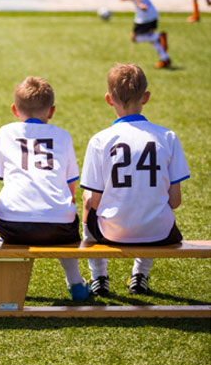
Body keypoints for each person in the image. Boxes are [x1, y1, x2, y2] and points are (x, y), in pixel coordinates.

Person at [81, 63, 189, 296]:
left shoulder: (100, 140)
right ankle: (140, 274)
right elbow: (175, 201)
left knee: (87, 197)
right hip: (160, 233)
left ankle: (98, 276)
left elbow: (96, 203)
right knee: (152, 199)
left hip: (112, 232)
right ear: (146, 97)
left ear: (109, 99)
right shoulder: (167, 136)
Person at [0, 77, 88, 301]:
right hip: (59, 227)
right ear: (51, 111)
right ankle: (75, 282)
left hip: (13, 224)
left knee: (10, 213)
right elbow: (70, 187)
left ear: (15, 110)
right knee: (64, 219)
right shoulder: (62, 135)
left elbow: (4, 177)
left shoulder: (5, 132)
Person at [119, 0, 170, 69]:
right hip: (152, 11)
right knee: (151, 38)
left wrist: (139, 4)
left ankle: (159, 36)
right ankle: (165, 59)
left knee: (134, 38)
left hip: (144, 14)